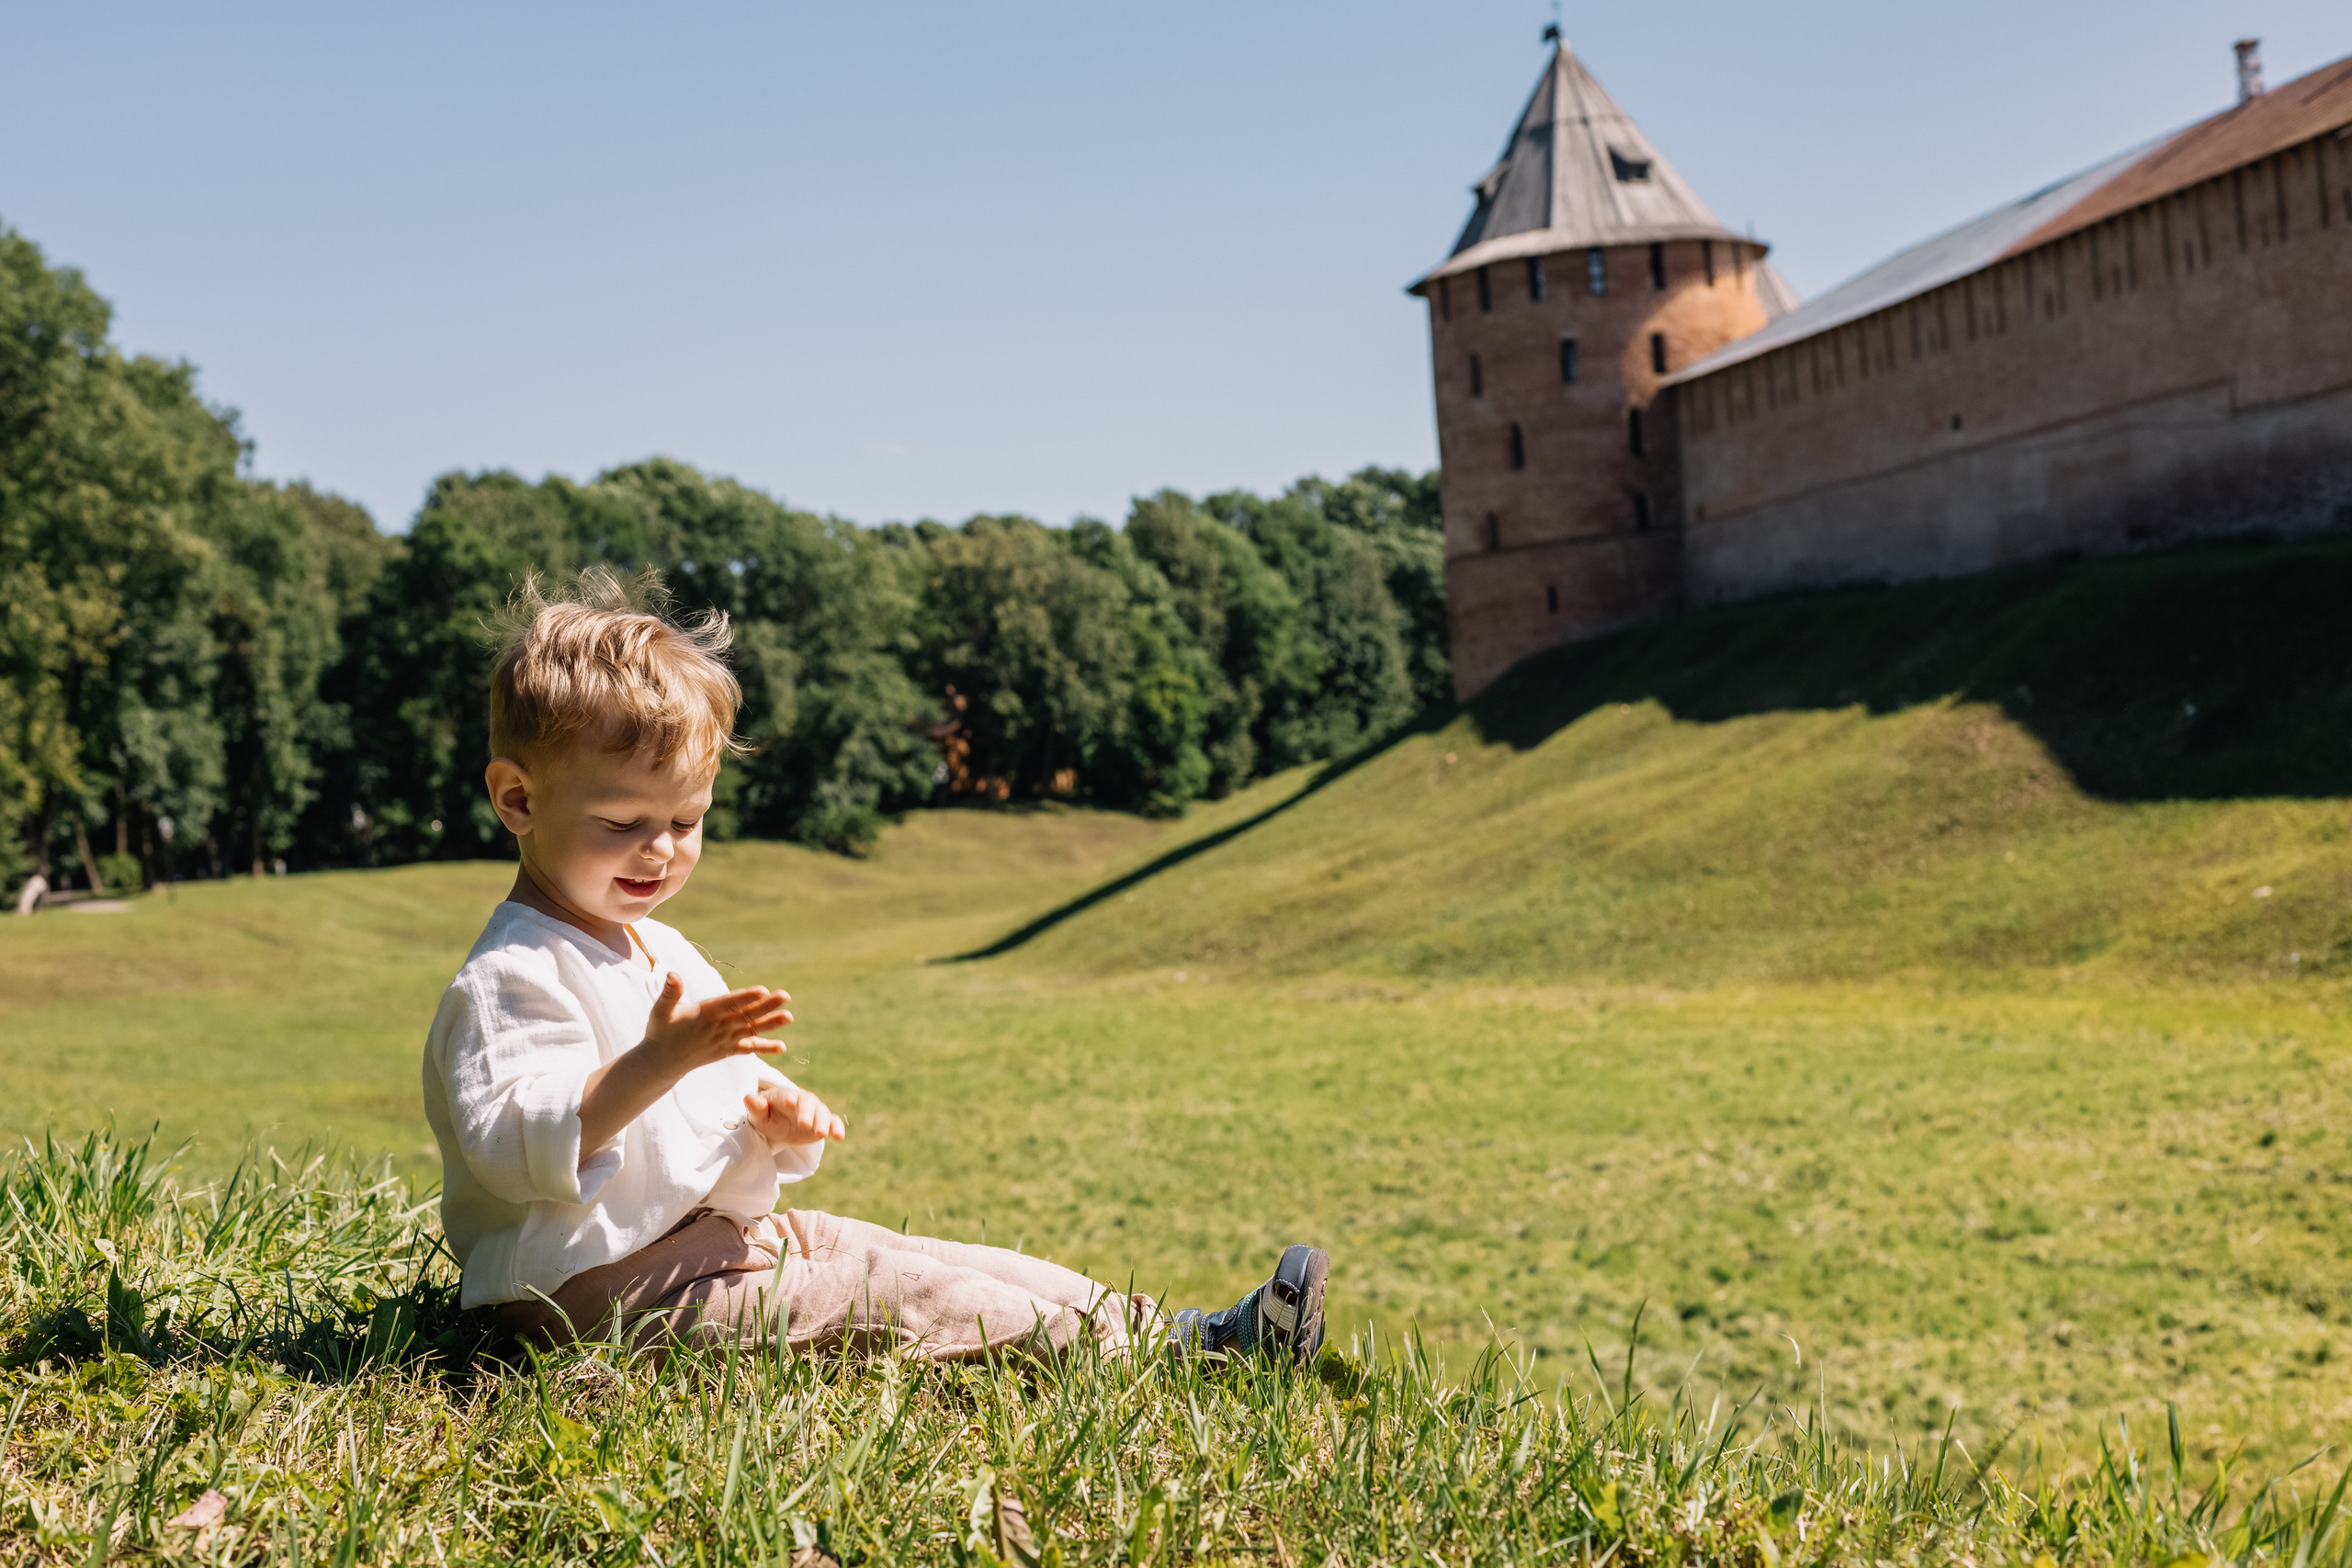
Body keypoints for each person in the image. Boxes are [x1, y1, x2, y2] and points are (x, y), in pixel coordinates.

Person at [422, 568, 1329, 1367]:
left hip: (712, 1242)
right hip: (593, 1302)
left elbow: (701, 1106)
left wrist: (770, 1117)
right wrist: (657, 1064)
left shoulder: (655, 942)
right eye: (624, 823)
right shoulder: (510, 978)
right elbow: (511, 1150)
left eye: (687, 820)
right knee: (884, 1295)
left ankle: (1174, 1333)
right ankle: (1150, 1362)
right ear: (518, 798)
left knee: (918, 1255)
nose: (660, 850)